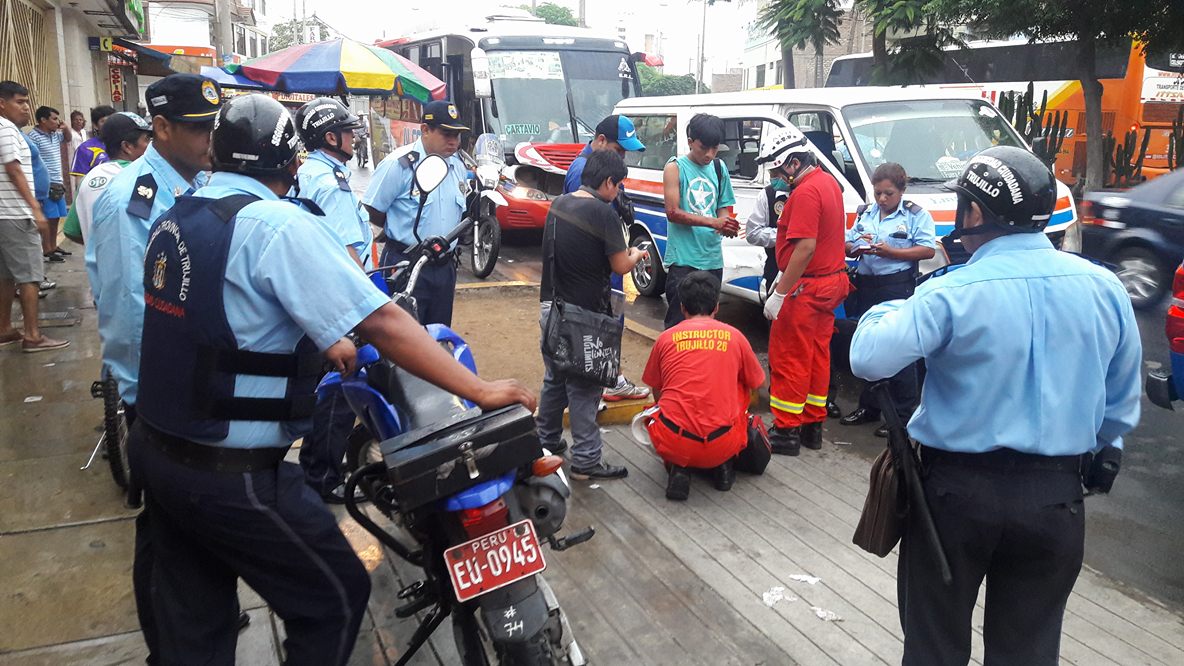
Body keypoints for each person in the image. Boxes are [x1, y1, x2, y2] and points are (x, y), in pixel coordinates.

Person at [130, 93, 535, 664]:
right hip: (231, 476)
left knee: (192, 635)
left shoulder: (180, 214)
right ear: (292, 164)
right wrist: (479, 389)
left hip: (157, 451)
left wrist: (322, 338)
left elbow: (225, 320)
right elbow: (383, 320)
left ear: (215, 151)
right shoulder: (274, 224)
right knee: (335, 597)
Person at [850, 145, 1142, 666]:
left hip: (955, 499)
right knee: (1028, 651)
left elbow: (869, 359)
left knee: (935, 646)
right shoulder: (1106, 288)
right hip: (1056, 497)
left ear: (976, 214)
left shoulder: (948, 292)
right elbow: (1119, 402)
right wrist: (1103, 448)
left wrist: (898, 305)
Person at [88, 73, 223, 660]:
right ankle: (166, 646)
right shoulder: (131, 199)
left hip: (199, 384)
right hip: (163, 395)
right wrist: (151, 404)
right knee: (164, 531)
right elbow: (126, 315)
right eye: (197, 129)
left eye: (212, 127)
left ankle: (191, 627)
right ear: (160, 129)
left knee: (187, 529)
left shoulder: (200, 182)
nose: (208, 139)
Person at [538, 150, 645, 480]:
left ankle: (546, 444)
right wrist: (638, 253)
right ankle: (586, 461)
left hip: (551, 308)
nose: (618, 192)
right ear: (608, 182)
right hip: (583, 315)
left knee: (555, 379)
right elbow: (619, 265)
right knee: (585, 388)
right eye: (619, 185)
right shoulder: (603, 212)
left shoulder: (560, 203)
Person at [294, 97, 372, 503]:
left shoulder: (306, 173)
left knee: (320, 391)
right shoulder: (333, 183)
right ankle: (324, 476)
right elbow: (348, 253)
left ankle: (317, 466)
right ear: (330, 136)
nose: (354, 137)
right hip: (338, 305)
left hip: (311, 301)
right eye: (347, 131)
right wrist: (367, 309)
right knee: (339, 394)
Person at [761, 126, 848, 456]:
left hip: (806, 290)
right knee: (816, 356)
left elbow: (805, 248)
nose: (774, 176)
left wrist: (781, 292)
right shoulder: (828, 183)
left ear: (792, 163)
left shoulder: (807, 193)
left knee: (789, 357)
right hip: (828, 285)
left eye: (775, 167)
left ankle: (786, 430)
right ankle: (812, 426)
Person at [641, 271, 765, 500]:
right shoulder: (736, 337)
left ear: (682, 307)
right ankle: (723, 466)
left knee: (656, 408)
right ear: (716, 306)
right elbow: (757, 382)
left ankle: (679, 468)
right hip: (723, 441)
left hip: (674, 442)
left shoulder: (666, 338)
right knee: (739, 385)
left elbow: (655, 388)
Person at [839, 162, 935, 437]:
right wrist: (855, 248)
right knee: (869, 346)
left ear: (901, 191)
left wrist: (891, 252)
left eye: (888, 193)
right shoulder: (866, 213)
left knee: (900, 348)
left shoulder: (916, 215)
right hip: (867, 286)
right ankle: (869, 408)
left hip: (897, 287)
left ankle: (903, 416)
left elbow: (927, 250)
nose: (882, 199)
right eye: (878, 192)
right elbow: (847, 242)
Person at [563, 114, 651, 403]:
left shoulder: (598, 167)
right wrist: (630, 255)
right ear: (600, 141)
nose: (623, 158)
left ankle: (609, 379)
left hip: (604, 267)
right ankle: (604, 383)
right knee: (601, 325)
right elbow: (590, 230)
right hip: (597, 269)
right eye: (618, 150)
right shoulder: (584, 171)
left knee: (610, 323)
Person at [362, 99, 468, 326]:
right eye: (447, 133)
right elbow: (372, 208)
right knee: (401, 337)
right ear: (425, 130)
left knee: (438, 335)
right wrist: (398, 227)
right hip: (406, 263)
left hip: (444, 266)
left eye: (457, 135)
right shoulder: (398, 165)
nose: (454, 141)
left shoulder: (457, 165)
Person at [0, 80, 68, 352]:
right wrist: (35, 208)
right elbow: (13, 169)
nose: (26, 107)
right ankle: (33, 335)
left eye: (27, 102)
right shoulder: (6, 129)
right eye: (20, 102)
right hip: (16, 213)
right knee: (29, 275)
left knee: (5, 276)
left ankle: (4, 328)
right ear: (2, 103)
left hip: (5, 214)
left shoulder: (8, 129)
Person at [661, 113, 739, 329]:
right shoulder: (674, 168)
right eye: (704, 147)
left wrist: (726, 224)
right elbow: (673, 212)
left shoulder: (718, 167)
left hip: (712, 259)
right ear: (690, 142)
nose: (709, 154)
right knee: (679, 325)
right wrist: (714, 223)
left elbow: (723, 208)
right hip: (684, 260)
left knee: (707, 325)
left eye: (715, 148)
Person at [63, 112, 152, 245]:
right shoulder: (142, 177)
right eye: (146, 140)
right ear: (127, 146)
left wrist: (97, 246)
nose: (150, 145)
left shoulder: (88, 179)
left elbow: (72, 231)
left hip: (98, 265)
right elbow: (143, 232)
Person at [27, 106, 71, 260]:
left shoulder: (55, 135)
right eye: (54, 119)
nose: (57, 122)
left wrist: (65, 128)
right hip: (46, 184)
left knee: (56, 218)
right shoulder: (33, 137)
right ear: (43, 120)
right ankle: (47, 250)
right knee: (47, 218)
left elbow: (68, 138)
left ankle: (53, 246)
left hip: (58, 182)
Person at [70, 105, 116, 180]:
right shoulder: (85, 149)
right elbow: (80, 182)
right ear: (95, 125)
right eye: (103, 121)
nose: (109, 125)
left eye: (111, 120)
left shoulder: (128, 145)